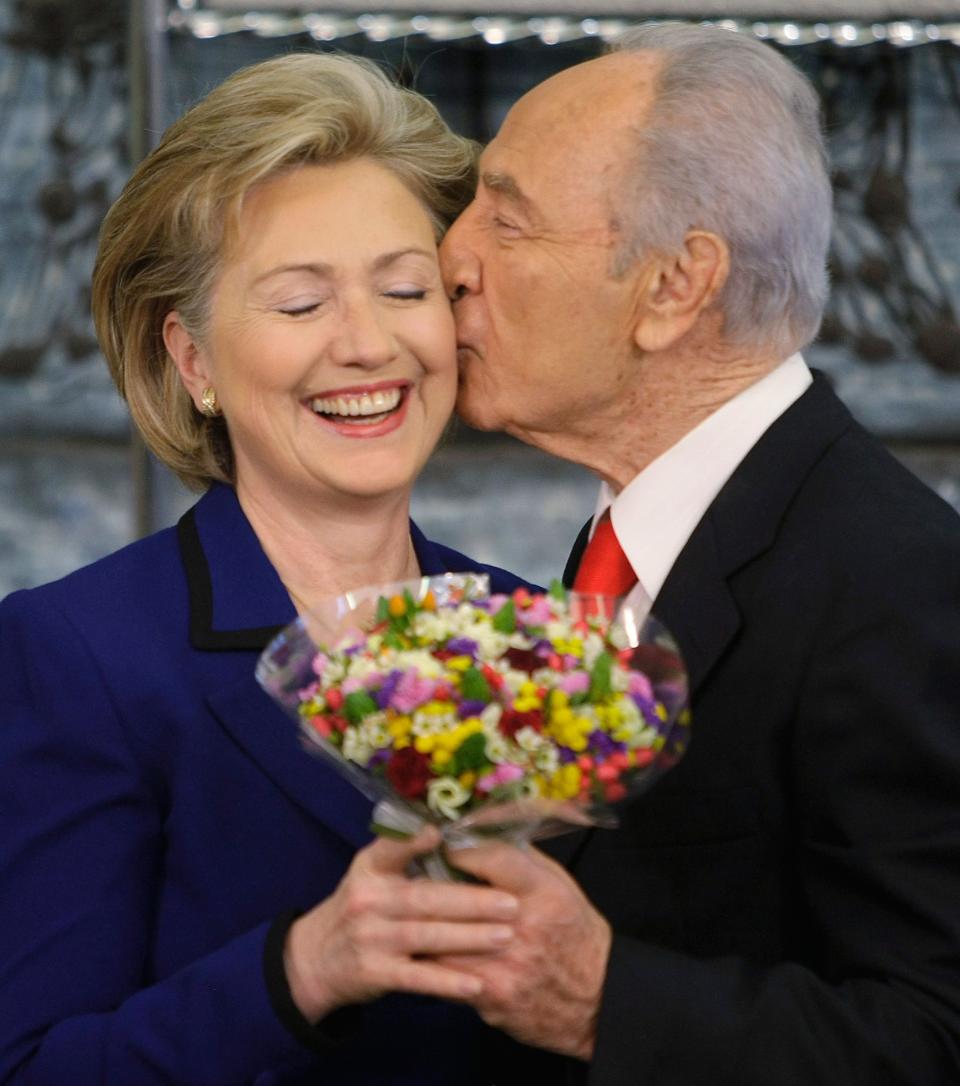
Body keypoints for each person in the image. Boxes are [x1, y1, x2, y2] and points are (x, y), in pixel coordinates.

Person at [434, 21, 960, 1084]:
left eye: (510, 218)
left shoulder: (901, 586)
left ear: (675, 288)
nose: (451, 255)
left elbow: (934, 1037)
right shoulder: (624, 537)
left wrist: (603, 1003)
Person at [0, 53, 532, 1085]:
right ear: (191, 360)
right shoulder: (77, 656)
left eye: (405, 288)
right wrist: (305, 968)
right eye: (300, 305)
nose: (368, 344)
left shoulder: (533, 628)